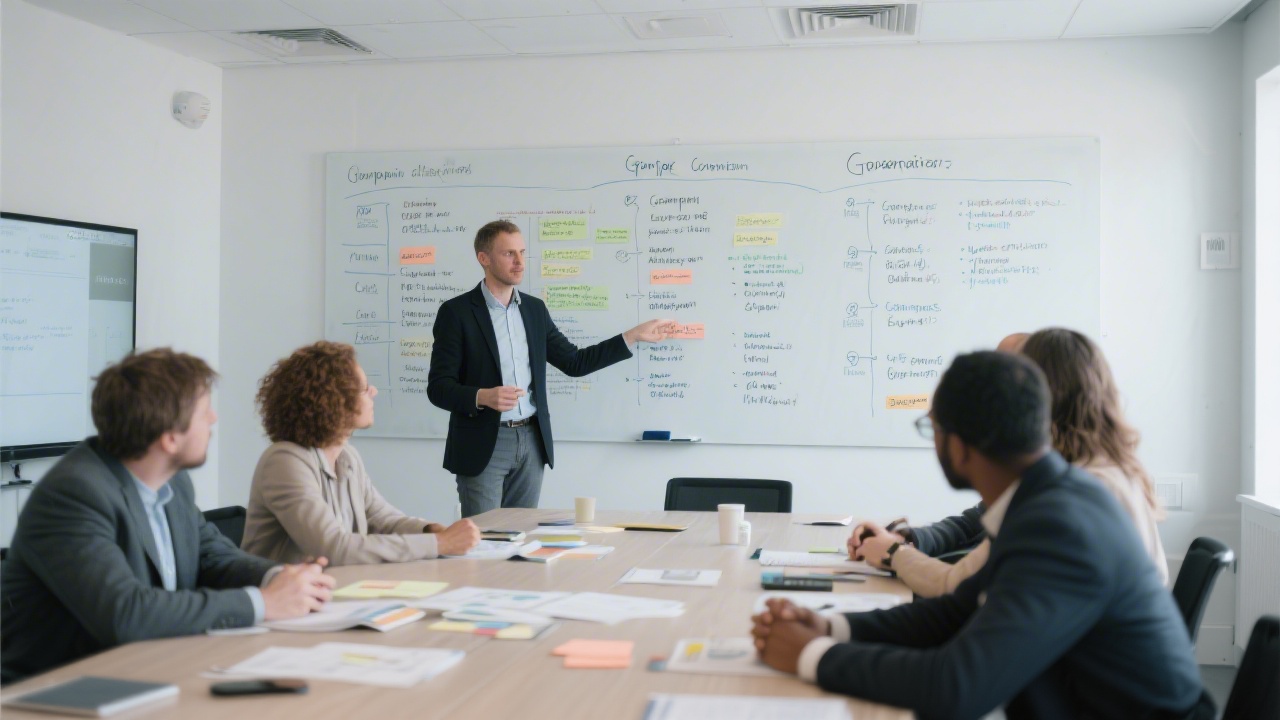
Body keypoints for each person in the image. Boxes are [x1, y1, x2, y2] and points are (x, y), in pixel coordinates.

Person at [751, 351, 1210, 720]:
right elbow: (956, 612)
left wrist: (811, 655)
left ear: (958, 444)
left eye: (931, 428)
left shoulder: (1060, 523)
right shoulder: (1045, 497)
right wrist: (832, 627)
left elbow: (958, 687)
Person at [0, 349, 334, 680]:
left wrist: (279, 578)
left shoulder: (173, 480)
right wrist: (262, 603)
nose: (213, 418)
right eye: (204, 410)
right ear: (170, 438)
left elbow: (212, 557)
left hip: (151, 668)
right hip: (54, 690)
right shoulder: (74, 495)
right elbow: (126, 613)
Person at [850, 328, 1169, 596]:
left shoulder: (1075, 494)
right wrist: (908, 539)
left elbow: (957, 585)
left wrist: (894, 554)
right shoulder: (1094, 469)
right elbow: (972, 523)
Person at [428, 220, 677, 517]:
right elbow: (439, 388)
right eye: (509, 254)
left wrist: (632, 336)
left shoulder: (534, 310)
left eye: (522, 252)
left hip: (532, 440)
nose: (520, 262)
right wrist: (483, 396)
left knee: (521, 537)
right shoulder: (456, 313)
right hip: (484, 444)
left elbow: (574, 362)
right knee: (484, 540)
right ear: (484, 258)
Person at [243, 342, 480, 565]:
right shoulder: (285, 461)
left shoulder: (347, 457)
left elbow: (384, 520)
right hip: (284, 601)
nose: (373, 392)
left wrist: (432, 530)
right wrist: (439, 543)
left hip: (335, 590)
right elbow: (332, 547)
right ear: (332, 401)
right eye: (364, 388)